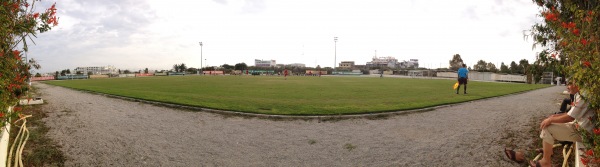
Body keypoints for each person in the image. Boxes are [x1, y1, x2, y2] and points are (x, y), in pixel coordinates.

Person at [504, 81, 594, 167]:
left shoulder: (584, 95)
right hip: (577, 127)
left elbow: (570, 117)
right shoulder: (579, 94)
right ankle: (524, 154)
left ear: (577, 84)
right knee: (547, 126)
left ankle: (545, 162)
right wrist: (552, 117)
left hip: (582, 132)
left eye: (570, 84)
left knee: (547, 128)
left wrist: (551, 120)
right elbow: (570, 113)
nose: (567, 87)